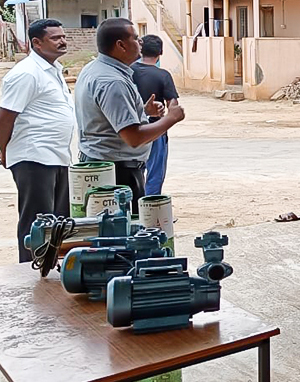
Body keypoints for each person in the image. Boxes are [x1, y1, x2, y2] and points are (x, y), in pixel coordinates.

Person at [75, 18, 185, 213]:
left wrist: (142, 112)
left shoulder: (97, 69)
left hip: (105, 165)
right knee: (121, 232)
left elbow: (107, 118)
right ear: (121, 45)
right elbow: (133, 137)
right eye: (136, 38)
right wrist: (170, 119)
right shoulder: (112, 81)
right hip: (117, 172)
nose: (140, 43)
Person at [0, 19, 74, 262]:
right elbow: (6, 116)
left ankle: (49, 272)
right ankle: (29, 273)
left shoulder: (53, 69)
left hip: (57, 155)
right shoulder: (26, 74)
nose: (62, 41)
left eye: (63, 36)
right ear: (37, 43)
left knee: (58, 222)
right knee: (37, 223)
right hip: (33, 157)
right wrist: (3, 150)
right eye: (55, 38)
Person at [130, 35, 179, 196]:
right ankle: (150, 209)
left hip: (130, 128)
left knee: (133, 171)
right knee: (155, 172)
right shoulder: (163, 75)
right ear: (160, 52)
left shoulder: (128, 71)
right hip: (155, 129)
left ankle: (133, 209)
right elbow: (173, 106)